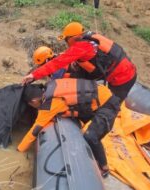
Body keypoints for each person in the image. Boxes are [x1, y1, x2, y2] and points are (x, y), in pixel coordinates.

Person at [21, 21, 137, 174]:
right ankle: (97, 123)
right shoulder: (90, 39)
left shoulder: (80, 48)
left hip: (122, 80)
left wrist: (33, 76)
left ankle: (100, 149)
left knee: (106, 115)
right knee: (103, 106)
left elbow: (58, 63)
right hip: (116, 76)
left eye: (66, 40)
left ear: (73, 38)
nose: (66, 43)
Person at [18, 78, 117, 177]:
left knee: (91, 136)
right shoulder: (51, 85)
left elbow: (35, 130)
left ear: (34, 100)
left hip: (107, 105)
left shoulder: (49, 105)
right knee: (74, 116)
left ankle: (104, 168)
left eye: (31, 104)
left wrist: (20, 149)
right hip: (99, 94)